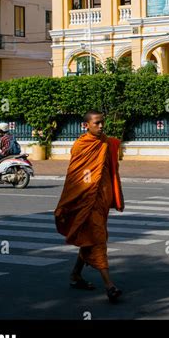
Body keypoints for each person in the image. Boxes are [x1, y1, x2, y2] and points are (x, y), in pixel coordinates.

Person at [54, 110, 125, 302]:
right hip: (86, 199)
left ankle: (76, 275)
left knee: (89, 238)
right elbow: (75, 177)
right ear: (87, 125)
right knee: (97, 239)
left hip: (101, 199)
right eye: (97, 123)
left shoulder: (106, 142)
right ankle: (109, 285)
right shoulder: (81, 145)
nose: (101, 126)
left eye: (102, 123)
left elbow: (111, 168)